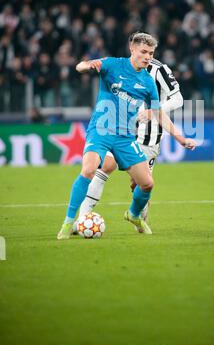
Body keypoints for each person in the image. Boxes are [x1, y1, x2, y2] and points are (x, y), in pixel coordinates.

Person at [57, 32, 196, 239]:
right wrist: (86, 66)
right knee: (90, 169)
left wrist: (180, 138)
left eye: (150, 53)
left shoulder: (149, 81)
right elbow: (81, 66)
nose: (148, 57)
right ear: (132, 49)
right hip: (102, 131)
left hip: (126, 137)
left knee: (146, 184)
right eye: (144, 52)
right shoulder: (113, 65)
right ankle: (69, 223)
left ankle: (134, 215)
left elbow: (159, 113)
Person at [73, 52, 184, 232]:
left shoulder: (160, 70)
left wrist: (153, 111)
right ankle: (81, 221)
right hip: (120, 129)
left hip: (148, 135)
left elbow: (178, 99)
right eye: (142, 50)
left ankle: (137, 218)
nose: (145, 55)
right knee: (106, 165)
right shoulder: (123, 65)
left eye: (149, 51)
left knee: (141, 184)